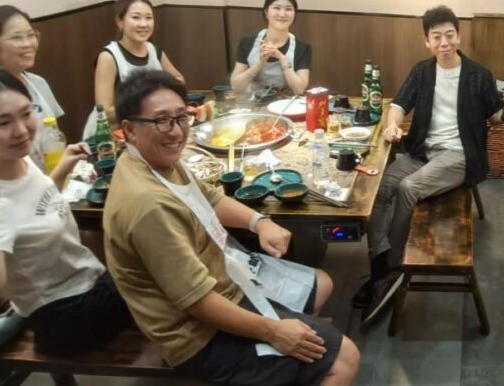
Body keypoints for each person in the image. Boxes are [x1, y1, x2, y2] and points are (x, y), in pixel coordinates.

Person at [103, 70, 358, 385]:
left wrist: (259, 222)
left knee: (318, 288)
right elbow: (196, 300)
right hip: (195, 335)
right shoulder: (147, 204)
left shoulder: (155, 160)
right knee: (344, 358)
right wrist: (275, 332)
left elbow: (208, 197)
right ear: (129, 130)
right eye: (161, 121)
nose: (176, 131)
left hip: (222, 282)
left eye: (181, 117)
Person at [356, 5, 504, 328]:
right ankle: (379, 264)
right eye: (437, 37)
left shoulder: (478, 75)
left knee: (408, 189)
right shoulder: (422, 72)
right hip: (422, 151)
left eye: (450, 35)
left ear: (459, 36)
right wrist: (392, 125)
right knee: (379, 188)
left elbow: (495, 116)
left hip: (460, 155)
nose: (444, 42)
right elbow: (398, 105)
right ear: (427, 41)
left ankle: (393, 267)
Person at [0, 67, 133, 354]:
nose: (21, 130)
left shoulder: (17, 159)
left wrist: (63, 167)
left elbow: (35, 208)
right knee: (161, 278)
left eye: (26, 113)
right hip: (64, 316)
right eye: (3, 122)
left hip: (88, 280)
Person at [84, 0, 185, 138]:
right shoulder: (108, 57)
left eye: (148, 18)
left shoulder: (153, 50)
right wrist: (145, 103)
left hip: (146, 131)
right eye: (136, 17)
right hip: (108, 137)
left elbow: (179, 79)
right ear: (120, 21)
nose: (143, 24)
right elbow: (104, 112)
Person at [0, 5, 64, 169]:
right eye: (17, 38)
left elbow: (54, 135)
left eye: (31, 35)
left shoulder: (38, 83)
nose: (28, 44)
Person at [230, 0, 311, 96]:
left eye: (288, 9)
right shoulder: (247, 43)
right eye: (276, 8)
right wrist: (259, 63)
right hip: (252, 103)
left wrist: (282, 59)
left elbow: (299, 90)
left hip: (286, 104)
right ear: (266, 12)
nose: (282, 14)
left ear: (294, 13)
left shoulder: (303, 48)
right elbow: (236, 87)